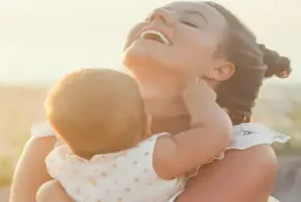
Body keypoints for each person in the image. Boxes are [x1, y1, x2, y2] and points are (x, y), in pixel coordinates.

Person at [10, 1, 292, 202]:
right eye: (151, 15)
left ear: (220, 69)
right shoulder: (55, 140)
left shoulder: (245, 155)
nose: (158, 15)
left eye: (190, 21)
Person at [38, 68, 232, 201]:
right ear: (145, 121)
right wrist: (201, 101)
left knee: (47, 192)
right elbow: (215, 135)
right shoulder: (153, 158)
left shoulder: (66, 165)